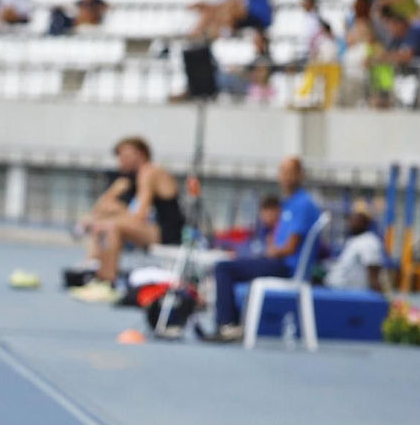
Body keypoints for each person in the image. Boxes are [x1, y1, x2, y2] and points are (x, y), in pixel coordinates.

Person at [206, 156, 321, 342]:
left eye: (291, 172)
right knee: (231, 263)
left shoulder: (303, 204)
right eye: (283, 172)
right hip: (277, 261)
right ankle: (231, 324)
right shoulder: (289, 204)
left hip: (285, 267)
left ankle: (228, 325)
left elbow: (290, 248)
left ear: (301, 175)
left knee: (223, 268)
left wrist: (271, 252)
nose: (286, 177)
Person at [70, 137, 187, 303]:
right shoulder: (131, 178)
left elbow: (139, 215)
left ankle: (108, 282)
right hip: (154, 228)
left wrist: (116, 213)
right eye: (119, 157)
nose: (120, 161)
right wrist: (113, 193)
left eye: (125, 156)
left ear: (140, 155)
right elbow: (101, 209)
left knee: (112, 226)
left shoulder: (149, 172)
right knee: (103, 223)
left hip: (168, 232)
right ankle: (94, 271)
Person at [325, 208, 386, 290]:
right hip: (336, 289)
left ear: (364, 222)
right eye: (351, 219)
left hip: (351, 294)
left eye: (356, 220)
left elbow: (373, 271)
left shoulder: (369, 241)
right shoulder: (353, 240)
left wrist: (380, 298)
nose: (352, 223)